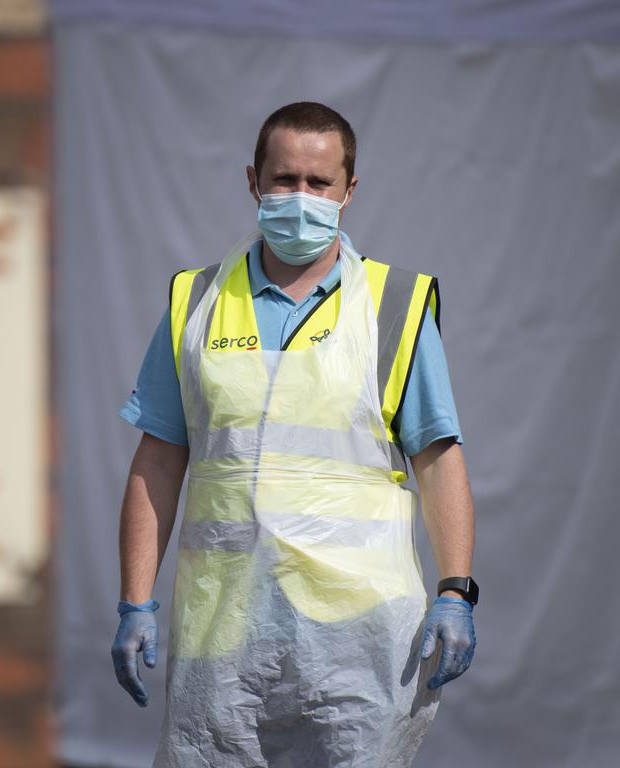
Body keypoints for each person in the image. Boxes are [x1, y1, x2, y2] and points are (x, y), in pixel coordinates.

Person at [110, 102, 477, 767]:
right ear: (253, 181)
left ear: (349, 191)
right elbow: (158, 462)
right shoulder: (196, 302)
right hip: (223, 632)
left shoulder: (393, 305)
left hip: (360, 638)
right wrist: (135, 601)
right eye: (285, 181)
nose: (301, 198)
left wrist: (456, 588)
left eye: (319, 183)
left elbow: (437, 457)